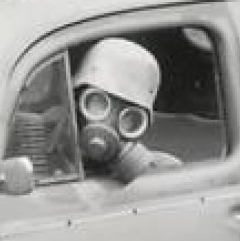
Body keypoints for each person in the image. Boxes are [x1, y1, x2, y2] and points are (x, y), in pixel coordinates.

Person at [73, 38, 181, 183]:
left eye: (128, 115)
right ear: (79, 100)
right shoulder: (56, 150)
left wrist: (136, 165)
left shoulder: (162, 169)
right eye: (100, 102)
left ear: (139, 125)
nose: (109, 120)